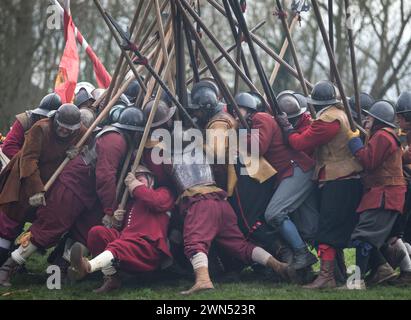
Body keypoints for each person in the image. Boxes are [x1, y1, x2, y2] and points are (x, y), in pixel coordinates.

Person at [283, 80, 364, 289]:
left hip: (339, 180)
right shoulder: (341, 114)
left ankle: (327, 277)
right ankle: (336, 275)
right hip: (344, 179)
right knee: (339, 230)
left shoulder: (328, 120)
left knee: (328, 230)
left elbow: (300, 143)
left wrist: (287, 128)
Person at [235, 92, 318, 271]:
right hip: (294, 171)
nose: (235, 114)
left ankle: (302, 253)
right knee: (309, 227)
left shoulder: (261, 117)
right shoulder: (254, 122)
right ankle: (333, 272)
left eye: (238, 110)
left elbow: (259, 147)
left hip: (297, 169)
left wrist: (238, 135)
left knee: (274, 214)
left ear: (248, 110)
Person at [0, 104, 85, 272]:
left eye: (69, 129)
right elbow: (29, 160)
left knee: (41, 221)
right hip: (23, 179)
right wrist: (36, 189)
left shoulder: (81, 132)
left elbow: (90, 150)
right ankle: (3, 264)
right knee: (9, 222)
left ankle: (16, 262)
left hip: (50, 184)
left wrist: (78, 152)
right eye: (61, 126)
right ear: (56, 120)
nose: (64, 131)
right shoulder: (40, 128)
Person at [68, 165, 174, 293]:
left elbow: (155, 202)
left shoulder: (164, 192)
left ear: (151, 180)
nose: (134, 184)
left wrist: (136, 186)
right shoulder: (129, 204)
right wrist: (116, 222)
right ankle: (111, 278)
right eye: (131, 182)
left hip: (147, 247)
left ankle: (87, 267)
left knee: (119, 246)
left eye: (140, 180)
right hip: (126, 243)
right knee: (97, 233)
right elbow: (124, 230)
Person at [348, 100, 406, 289]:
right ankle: (382, 268)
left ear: (378, 120)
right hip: (382, 192)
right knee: (370, 239)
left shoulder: (382, 136)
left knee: (362, 238)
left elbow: (368, 161)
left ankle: (357, 282)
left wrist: (355, 144)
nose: (366, 121)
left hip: (384, 194)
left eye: (369, 118)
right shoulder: (383, 135)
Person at [2, 93, 62, 159]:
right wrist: (26, 163)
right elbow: (8, 147)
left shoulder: (59, 129)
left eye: (48, 118)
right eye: (43, 116)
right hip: (12, 160)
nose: (45, 119)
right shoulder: (25, 120)